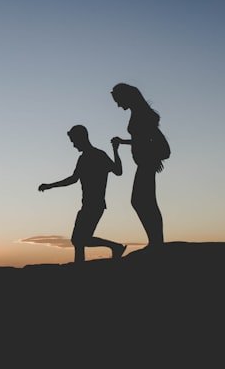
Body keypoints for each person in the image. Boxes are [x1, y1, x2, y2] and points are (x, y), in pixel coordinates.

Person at [38, 125, 127, 263]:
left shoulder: (96, 155)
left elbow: (118, 171)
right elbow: (73, 179)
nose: (73, 145)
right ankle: (85, 262)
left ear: (82, 138)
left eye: (74, 141)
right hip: (89, 204)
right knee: (78, 241)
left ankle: (115, 247)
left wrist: (115, 150)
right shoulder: (87, 157)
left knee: (80, 239)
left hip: (95, 205)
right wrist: (50, 186)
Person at [110, 83, 169, 249]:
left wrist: (153, 158)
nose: (117, 104)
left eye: (118, 100)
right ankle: (155, 241)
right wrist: (124, 141)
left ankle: (156, 242)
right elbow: (141, 139)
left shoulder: (142, 115)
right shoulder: (138, 113)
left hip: (146, 164)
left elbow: (161, 144)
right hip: (144, 164)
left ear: (126, 97)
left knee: (142, 201)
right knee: (145, 201)